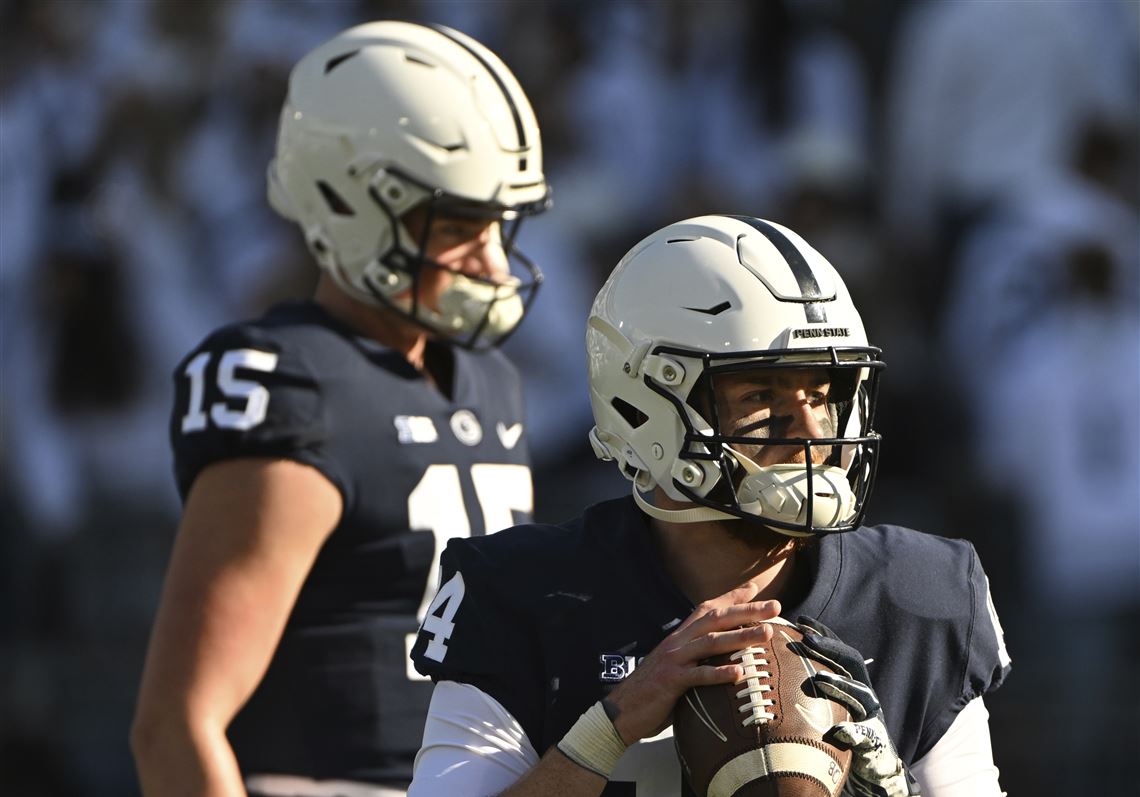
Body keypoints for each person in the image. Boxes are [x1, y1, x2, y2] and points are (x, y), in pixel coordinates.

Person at [407, 215, 1011, 797]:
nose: (810, 431)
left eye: (823, 393)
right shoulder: (523, 594)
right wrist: (606, 730)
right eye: (760, 394)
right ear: (642, 408)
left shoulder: (917, 596)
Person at [131, 20, 550, 797]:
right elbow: (178, 722)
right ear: (350, 203)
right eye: (458, 224)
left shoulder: (493, 381)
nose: (492, 258)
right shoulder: (298, 381)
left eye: (500, 223)